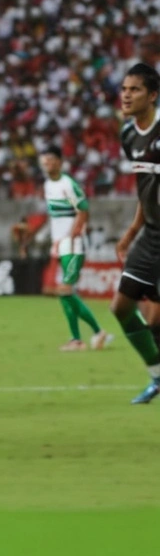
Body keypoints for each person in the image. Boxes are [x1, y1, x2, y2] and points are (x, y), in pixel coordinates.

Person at [109, 62, 160, 404]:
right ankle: (157, 375)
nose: (126, 95)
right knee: (121, 307)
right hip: (151, 234)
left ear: (153, 95)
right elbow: (145, 188)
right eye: (125, 89)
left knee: (156, 319)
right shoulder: (129, 135)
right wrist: (132, 230)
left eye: (135, 90)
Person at [38, 148, 109, 351]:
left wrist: (72, 235)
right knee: (65, 293)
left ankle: (94, 332)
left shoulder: (68, 184)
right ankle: (78, 339)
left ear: (60, 162)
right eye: (45, 161)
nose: (47, 164)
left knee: (65, 290)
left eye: (51, 160)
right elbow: (56, 217)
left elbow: (83, 209)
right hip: (60, 245)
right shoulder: (48, 185)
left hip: (73, 245)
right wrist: (53, 240)